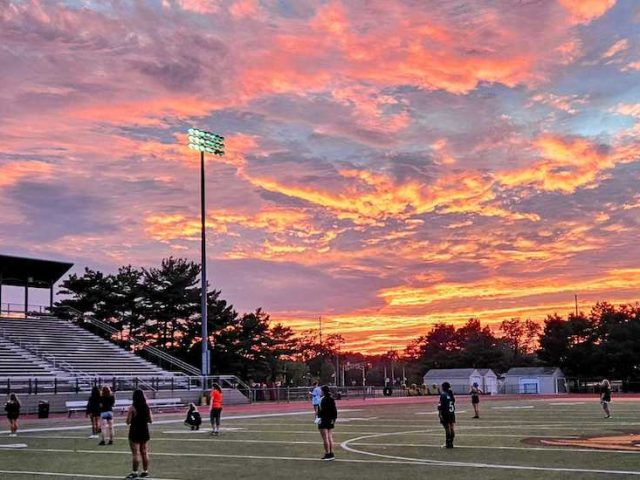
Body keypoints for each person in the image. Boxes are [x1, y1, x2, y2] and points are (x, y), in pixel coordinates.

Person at [125, 389, 152, 479]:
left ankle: (135, 472)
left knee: (135, 453)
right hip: (144, 430)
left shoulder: (132, 407)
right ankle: (145, 471)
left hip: (135, 430)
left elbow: (128, 422)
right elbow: (150, 420)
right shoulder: (147, 407)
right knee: (144, 452)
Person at [317, 385, 338, 460]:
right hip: (330, 419)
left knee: (325, 438)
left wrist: (319, 418)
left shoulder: (322, 399)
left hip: (323, 419)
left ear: (323, 391)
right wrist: (334, 419)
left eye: (321, 391)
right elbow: (334, 410)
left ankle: (327, 453)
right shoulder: (331, 399)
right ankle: (331, 453)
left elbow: (320, 410)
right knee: (330, 437)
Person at [438, 382, 456, 448]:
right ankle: (451, 442)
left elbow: (440, 405)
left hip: (445, 413)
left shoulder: (443, 395)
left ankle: (448, 443)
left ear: (443, 387)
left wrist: (440, 414)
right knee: (452, 428)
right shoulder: (451, 394)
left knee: (447, 428)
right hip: (452, 413)